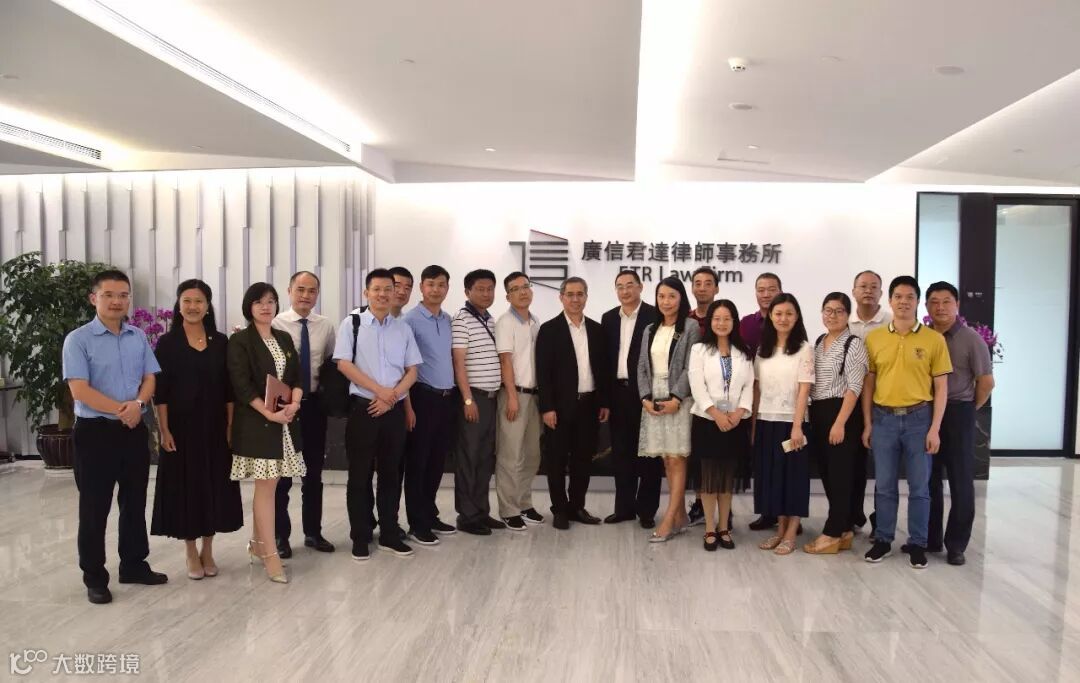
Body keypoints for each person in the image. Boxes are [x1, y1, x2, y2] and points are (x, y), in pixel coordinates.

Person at [63, 269, 167, 604]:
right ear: (94, 298)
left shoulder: (137, 336)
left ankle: (134, 564)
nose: (117, 301)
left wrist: (138, 405)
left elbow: (150, 377)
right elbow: (80, 390)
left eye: (123, 295)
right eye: (108, 295)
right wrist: (124, 409)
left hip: (133, 430)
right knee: (95, 507)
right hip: (95, 433)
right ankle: (95, 577)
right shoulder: (78, 340)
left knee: (134, 501)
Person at [151, 279, 242, 580]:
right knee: (187, 488)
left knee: (213, 486)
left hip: (215, 427)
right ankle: (190, 550)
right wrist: (164, 430)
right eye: (187, 301)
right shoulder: (167, 343)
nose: (193, 306)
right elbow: (161, 392)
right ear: (179, 305)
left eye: (199, 301)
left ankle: (208, 549)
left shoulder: (221, 342)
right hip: (181, 429)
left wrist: (230, 426)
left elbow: (229, 391)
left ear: (207, 306)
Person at [862, 276, 952, 569]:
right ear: (890, 301)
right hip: (883, 419)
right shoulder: (875, 338)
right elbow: (869, 384)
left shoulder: (934, 340)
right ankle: (883, 539)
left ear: (917, 302)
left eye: (909, 297)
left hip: (919, 420)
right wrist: (868, 423)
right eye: (898, 296)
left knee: (920, 488)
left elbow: (941, 387)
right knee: (884, 486)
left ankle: (917, 544)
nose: (903, 302)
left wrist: (935, 428)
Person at [335, 269, 422, 560]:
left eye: (388, 289)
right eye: (377, 289)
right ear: (366, 293)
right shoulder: (353, 323)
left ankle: (389, 533)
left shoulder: (402, 329)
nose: (383, 294)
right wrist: (380, 391)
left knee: (390, 474)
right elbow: (344, 364)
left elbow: (412, 371)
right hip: (363, 408)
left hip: (393, 411)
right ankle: (360, 536)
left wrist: (391, 397)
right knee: (359, 476)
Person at [227, 282, 305, 584]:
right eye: (259, 301)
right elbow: (242, 385)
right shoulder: (240, 341)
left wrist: (294, 403)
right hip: (258, 424)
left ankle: (259, 545)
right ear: (249, 306)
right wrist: (269, 413)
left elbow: (296, 377)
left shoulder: (283, 337)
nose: (265, 306)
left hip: (285, 421)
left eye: (271, 301)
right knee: (267, 487)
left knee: (271, 486)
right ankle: (271, 555)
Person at [925, 281, 994, 566]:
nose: (940, 307)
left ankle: (956, 545)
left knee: (961, 481)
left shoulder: (971, 339)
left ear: (957, 305)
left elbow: (986, 382)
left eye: (946, 302)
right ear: (926, 306)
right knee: (928, 480)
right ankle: (930, 539)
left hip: (959, 413)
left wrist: (968, 408)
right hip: (927, 413)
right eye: (934, 302)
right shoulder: (924, 337)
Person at [271, 271, 338, 558]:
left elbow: (329, 363)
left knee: (313, 474)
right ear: (289, 291)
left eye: (311, 291)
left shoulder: (325, 326)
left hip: (313, 407)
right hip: (283, 408)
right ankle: (280, 537)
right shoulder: (275, 323)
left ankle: (313, 533)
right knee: (283, 477)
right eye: (300, 289)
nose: (305, 295)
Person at [536, 277, 610, 530]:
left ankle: (577, 506)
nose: (575, 299)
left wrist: (604, 402)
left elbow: (603, 370)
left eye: (580, 294)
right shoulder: (549, 330)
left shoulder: (597, 330)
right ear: (561, 297)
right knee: (556, 460)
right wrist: (547, 407)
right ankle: (559, 509)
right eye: (570, 294)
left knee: (583, 460)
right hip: (559, 407)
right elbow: (543, 373)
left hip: (589, 405)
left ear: (586, 297)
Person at [804, 293, 868, 555]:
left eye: (839, 311)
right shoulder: (820, 341)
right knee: (828, 474)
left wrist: (840, 422)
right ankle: (844, 529)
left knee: (841, 475)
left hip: (842, 413)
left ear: (848, 315)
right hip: (819, 412)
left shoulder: (854, 343)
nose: (832, 316)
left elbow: (855, 387)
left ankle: (832, 533)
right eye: (828, 310)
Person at [637, 277, 700, 541]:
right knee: (666, 459)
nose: (666, 302)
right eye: (661, 296)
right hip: (654, 399)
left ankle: (669, 518)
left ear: (681, 298)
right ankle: (681, 516)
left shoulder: (691, 327)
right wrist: (645, 398)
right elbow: (642, 366)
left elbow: (690, 366)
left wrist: (676, 397)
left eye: (671, 296)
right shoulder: (650, 328)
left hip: (678, 401)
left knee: (677, 458)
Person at [688, 300, 753, 551]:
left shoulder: (744, 351)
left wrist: (739, 412)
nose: (722, 323)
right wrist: (716, 413)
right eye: (717, 318)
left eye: (727, 318)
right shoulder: (699, 350)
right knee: (708, 481)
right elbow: (697, 385)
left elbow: (749, 386)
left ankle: (724, 527)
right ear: (710, 322)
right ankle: (709, 529)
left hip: (735, 423)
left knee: (726, 481)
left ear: (734, 322)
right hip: (707, 421)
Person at [752, 293, 813, 556]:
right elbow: (756, 388)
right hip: (766, 420)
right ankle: (780, 530)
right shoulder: (762, 350)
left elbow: (804, 390)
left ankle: (791, 532)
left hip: (792, 422)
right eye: (778, 313)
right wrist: (753, 424)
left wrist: (797, 426)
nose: (783, 318)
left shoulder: (804, 348)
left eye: (789, 313)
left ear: (797, 317)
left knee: (794, 478)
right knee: (773, 478)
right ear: (771, 317)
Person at [402, 265, 459, 545]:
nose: (436, 289)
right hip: (422, 397)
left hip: (447, 399)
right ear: (422, 288)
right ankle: (417, 523)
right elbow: (404, 366)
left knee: (437, 462)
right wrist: (408, 406)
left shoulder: (448, 319)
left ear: (447, 288)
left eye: (441, 284)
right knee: (418, 463)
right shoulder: (410, 320)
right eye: (431, 284)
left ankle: (430, 513)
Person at [600, 270, 660, 528]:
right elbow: (604, 362)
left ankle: (646, 511)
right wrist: (604, 399)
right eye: (620, 286)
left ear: (640, 287)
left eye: (629, 285)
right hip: (618, 393)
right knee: (621, 454)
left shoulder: (654, 315)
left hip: (646, 394)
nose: (624, 291)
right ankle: (624, 509)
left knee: (648, 454)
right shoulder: (608, 318)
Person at [451, 269, 505, 535]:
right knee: (469, 458)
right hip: (474, 399)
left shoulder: (490, 320)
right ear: (467, 292)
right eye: (480, 289)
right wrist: (467, 399)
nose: (486, 294)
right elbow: (458, 363)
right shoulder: (462, 320)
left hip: (492, 400)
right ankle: (467, 516)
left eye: (490, 289)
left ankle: (482, 512)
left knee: (485, 459)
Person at [493, 272, 545, 530]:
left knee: (532, 455)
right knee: (510, 455)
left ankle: (524, 503)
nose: (523, 292)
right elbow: (505, 361)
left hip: (535, 397)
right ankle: (508, 509)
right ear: (508, 296)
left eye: (526, 286)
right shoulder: (505, 323)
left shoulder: (535, 321)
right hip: (514, 396)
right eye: (515, 289)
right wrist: (512, 397)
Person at [848, 270, 891, 532]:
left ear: (881, 293)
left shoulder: (890, 322)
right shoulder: (845, 321)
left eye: (873, 287)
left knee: (883, 468)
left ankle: (880, 520)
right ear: (853, 291)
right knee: (854, 464)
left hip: (883, 403)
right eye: (863, 286)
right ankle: (854, 516)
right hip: (851, 404)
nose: (868, 291)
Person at [741, 272, 783, 533]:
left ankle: (786, 515)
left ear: (780, 291)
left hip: (783, 403)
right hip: (753, 400)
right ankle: (767, 513)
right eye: (761, 289)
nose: (766, 294)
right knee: (762, 460)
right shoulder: (746, 323)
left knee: (784, 462)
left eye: (771, 289)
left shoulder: (788, 320)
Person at [685, 266, 719, 527]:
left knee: (719, 456)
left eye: (708, 283)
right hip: (689, 397)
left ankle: (724, 509)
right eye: (698, 283)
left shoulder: (723, 316)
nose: (702, 288)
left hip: (720, 400)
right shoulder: (685, 319)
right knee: (695, 455)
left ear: (716, 288)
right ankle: (699, 503)